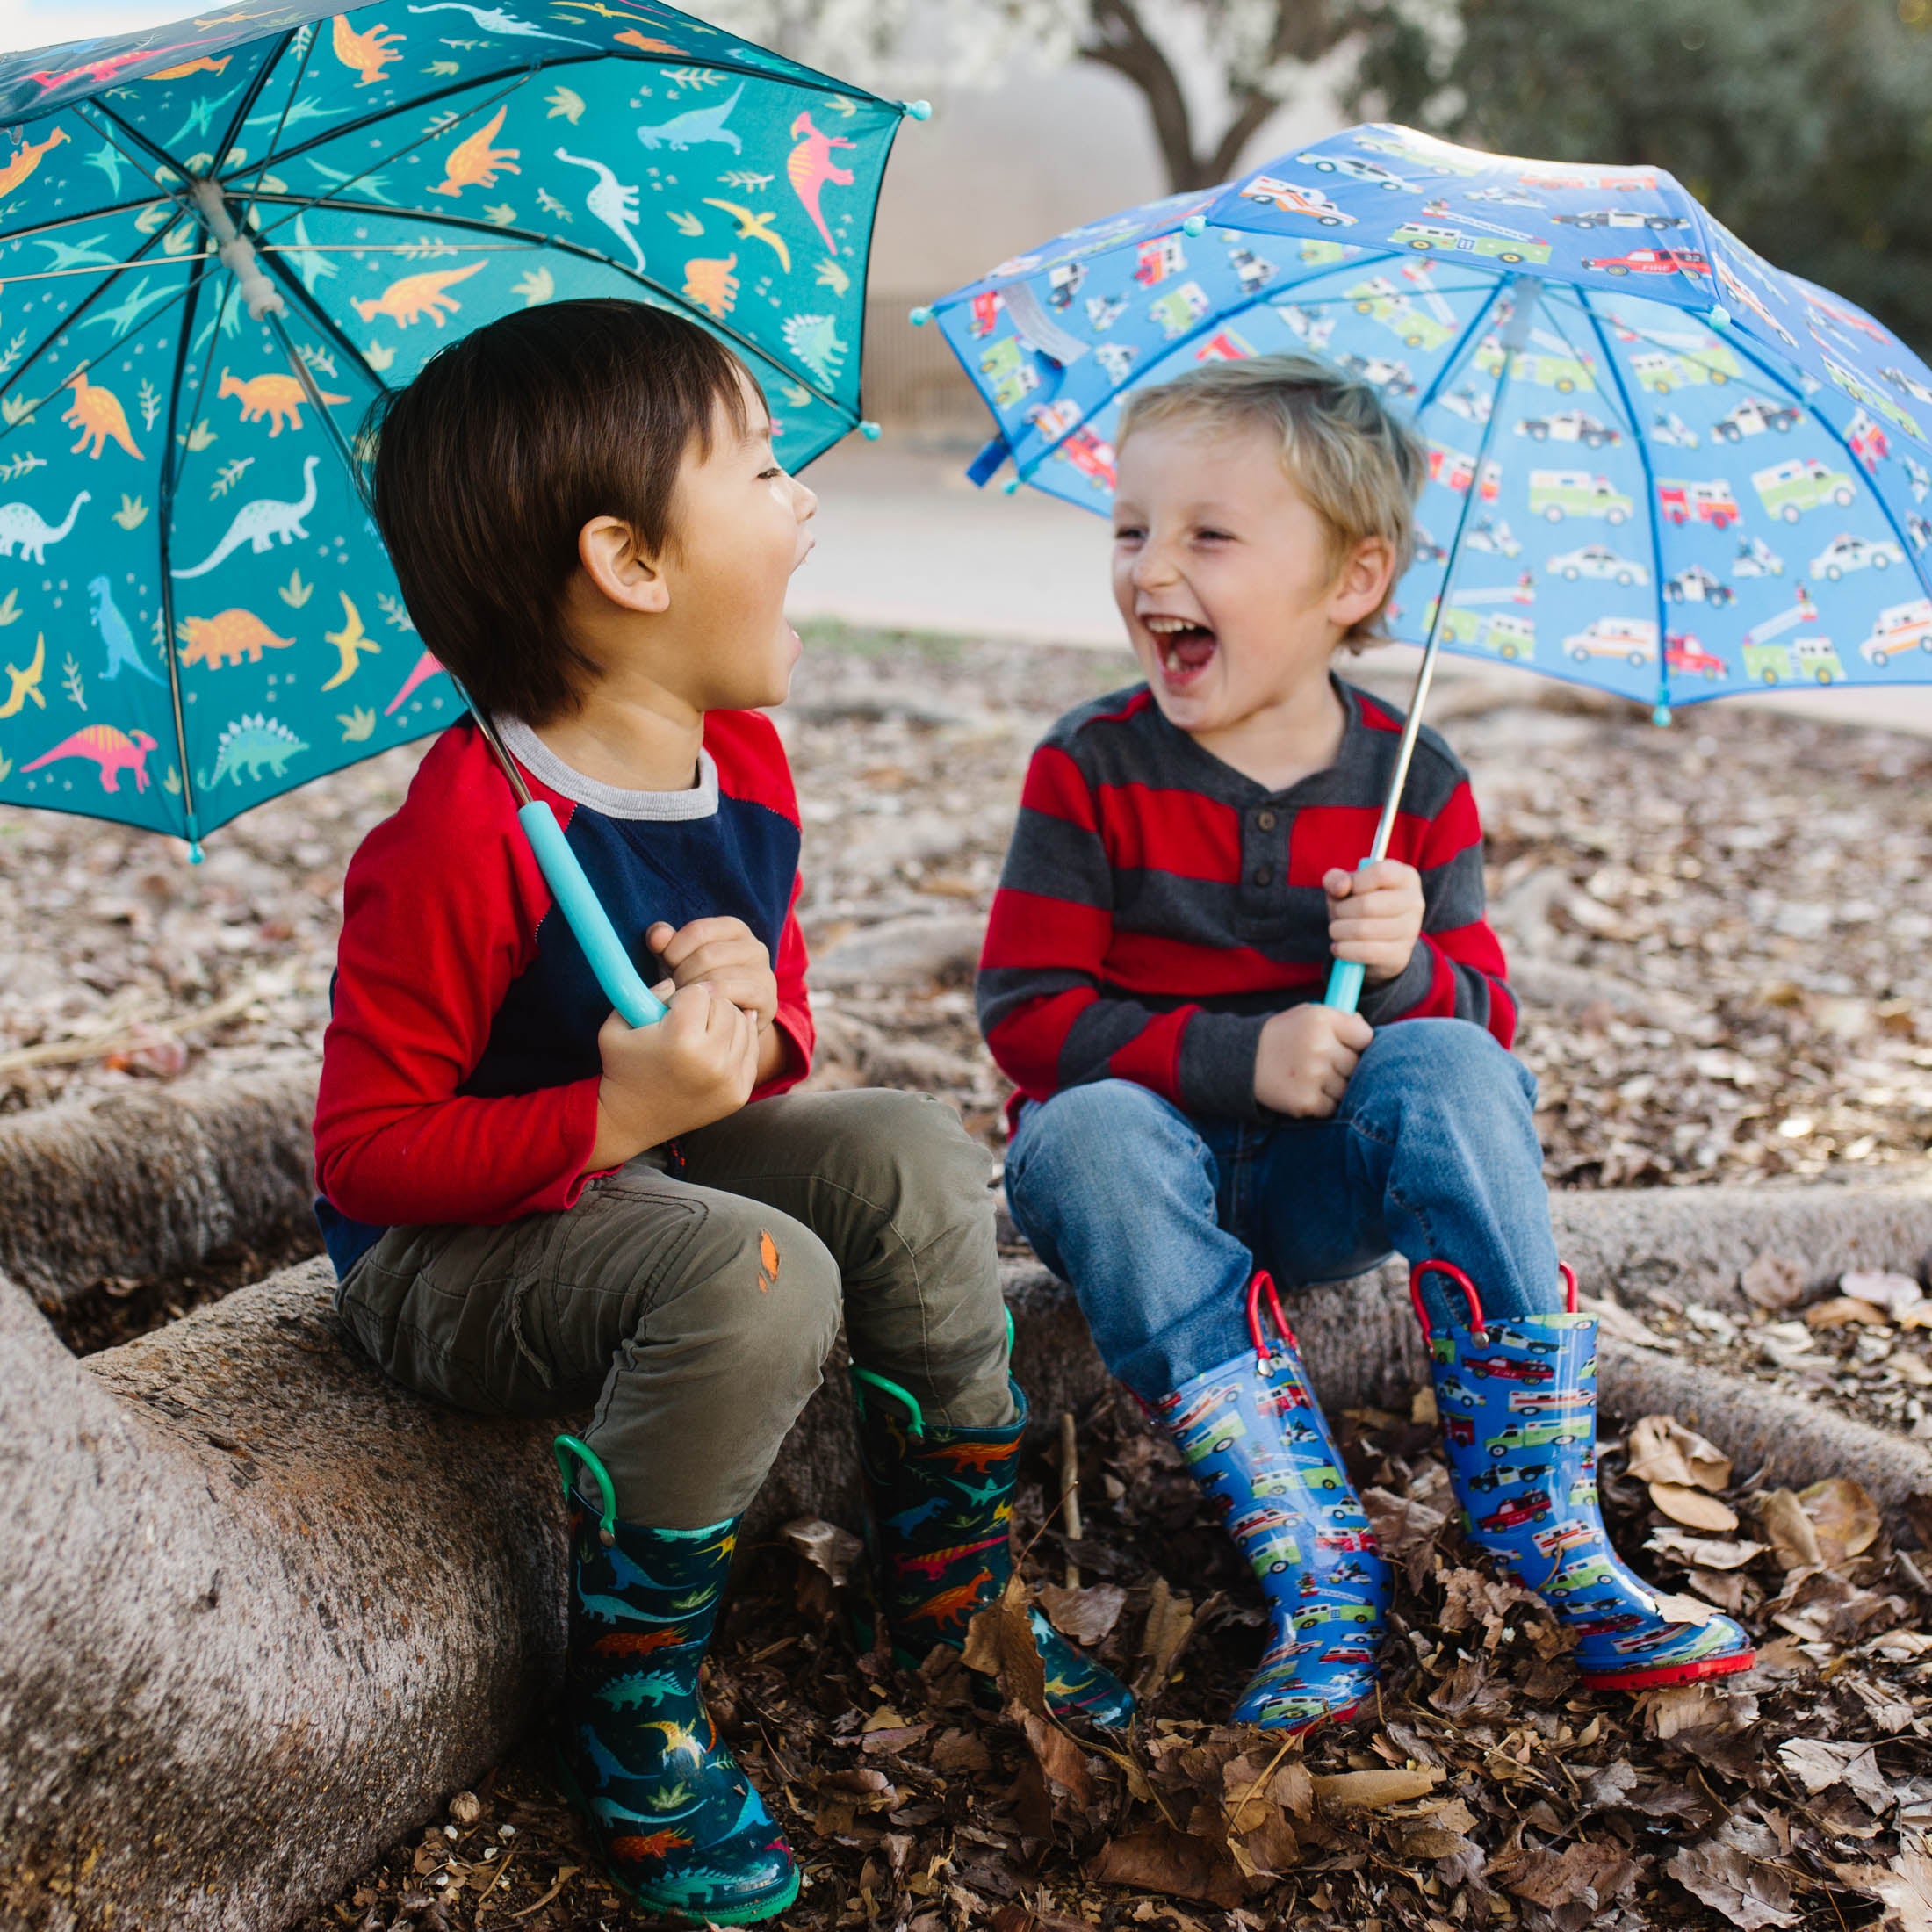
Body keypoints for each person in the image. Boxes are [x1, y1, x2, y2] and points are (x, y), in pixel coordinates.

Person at [314, 299, 1132, 1927]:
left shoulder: (739, 757)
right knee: (757, 1271)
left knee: (904, 1149)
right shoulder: (465, 832)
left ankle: (949, 1586)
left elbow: (786, 1042)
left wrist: (747, 1023)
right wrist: (612, 1116)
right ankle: (627, 1701)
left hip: (654, 1172)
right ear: (629, 563)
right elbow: (364, 1158)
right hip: (449, 1260)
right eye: (761, 468)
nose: (807, 497)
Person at [977, 352, 1753, 1733]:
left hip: (1322, 1189)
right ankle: (1314, 1558)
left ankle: (1544, 1527)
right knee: (1083, 1124)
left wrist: (1403, 972)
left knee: (1455, 1064)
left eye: (1209, 535)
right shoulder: (1089, 767)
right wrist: (1240, 1055)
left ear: (1351, 582)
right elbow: (1027, 1013)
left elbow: (1488, 1029)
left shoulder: (1418, 783)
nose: (1154, 568)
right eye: (1131, 528)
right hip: (1135, 1185)